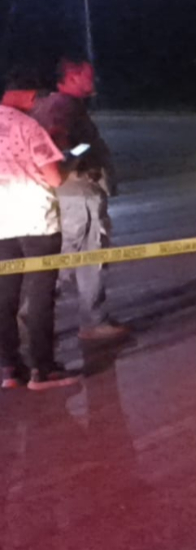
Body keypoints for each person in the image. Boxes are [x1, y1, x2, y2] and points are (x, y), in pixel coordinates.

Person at [29, 57, 128, 342]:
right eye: (88, 76)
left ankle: (39, 320)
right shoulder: (62, 106)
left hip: (76, 192)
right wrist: (76, 156)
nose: (93, 81)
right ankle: (33, 321)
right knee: (81, 256)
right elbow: (55, 143)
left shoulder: (63, 105)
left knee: (77, 256)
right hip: (78, 194)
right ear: (72, 77)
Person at [0, 100, 80, 390]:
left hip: (2, 224)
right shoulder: (28, 126)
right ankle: (42, 369)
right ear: (29, 96)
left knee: (5, 297)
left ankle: (10, 368)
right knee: (40, 296)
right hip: (37, 221)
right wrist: (68, 155)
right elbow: (55, 177)